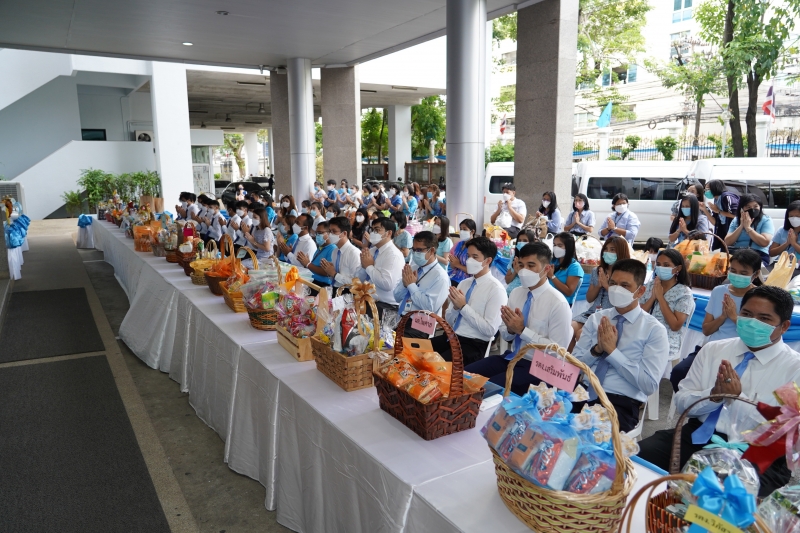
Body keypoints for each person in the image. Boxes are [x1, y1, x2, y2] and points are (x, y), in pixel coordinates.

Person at [638, 286, 800, 497]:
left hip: (758, 453)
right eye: (747, 314)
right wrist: (714, 395)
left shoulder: (794, 368)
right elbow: (682, 401)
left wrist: (737, 398)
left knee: (720, 500)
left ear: (784, 326)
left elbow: (788, 434)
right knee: (638, 458)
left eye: (764, 319)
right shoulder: (714, 349)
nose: (752, 322)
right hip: (699, 435)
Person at [573, 259, 670, 432]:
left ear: (640, 291)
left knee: (592, 440)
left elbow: (648, 385)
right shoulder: (597, 319)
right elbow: (575, 366)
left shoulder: (653, 330)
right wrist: (597, 350)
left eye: (625, 285)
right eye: (613, 283)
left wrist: (612, 352)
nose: (617, 290)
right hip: (583, 391)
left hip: (619, 401)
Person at [465, 242, 572, 395]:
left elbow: (557, 352)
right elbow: (506, 335)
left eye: (531, 265)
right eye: (521, 265)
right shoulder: (516, 293)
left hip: (539, 367)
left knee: (489, 388)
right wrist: (510, 328)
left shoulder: (558, 303)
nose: (524, 271)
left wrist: (522, 331)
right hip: (512, 358)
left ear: (546, 268)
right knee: (466, 375)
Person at [669, 248, 763, 391]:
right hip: (712, 347)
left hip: (739, 352)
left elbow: (755, 335)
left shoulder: (759, 298)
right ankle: (693, 410)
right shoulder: (719, 291)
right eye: (733, 270)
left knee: (719, 381)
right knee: (679, 372)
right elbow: (706, 330)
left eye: (743, 273)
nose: (737, 276)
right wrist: (723, 316)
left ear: (755, 274)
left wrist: (733, 317)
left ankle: (710, 410)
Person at [432, 237, 508, 365]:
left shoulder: (496, 290)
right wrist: (455, 308)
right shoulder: (464, 283)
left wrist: (463, 307)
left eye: (475, 257)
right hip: (452, 337)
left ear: (488, 260)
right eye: (468, 256)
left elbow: (490, 330)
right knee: (418, 351)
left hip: (474, 344)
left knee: (435, 364)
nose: (468, 261)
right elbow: (450, 321)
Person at [572, 236, 631, 342]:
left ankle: (584, 359)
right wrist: (598, 285)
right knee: (569, 329)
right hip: (593, 312)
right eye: (606, 249)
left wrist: (607, 285)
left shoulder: (626, 274)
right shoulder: (598, 271)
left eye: (612, 250)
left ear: (621, 252)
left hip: (611, 315)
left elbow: (623, 301)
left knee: (582, 335)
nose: (608, 252)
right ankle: (569, 358)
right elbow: (589, 298)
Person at [639, 249, 695, 361]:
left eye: (666, 265)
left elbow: (675, 326)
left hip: (667, 340)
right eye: (658, 264)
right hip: (643, 335)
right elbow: (638, 314)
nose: (661, 268)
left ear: (678, 268)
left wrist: (660, 297)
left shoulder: (684, 293)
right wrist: (653, 298)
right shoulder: (650, 286)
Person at [393, 231, 451, 319]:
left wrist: (411, 285)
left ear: (431, 251)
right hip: (400, 316)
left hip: (420, 326)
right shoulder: (413, 268)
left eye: (419, 250)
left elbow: (430, 308)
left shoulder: (440, 277)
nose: (415, 253)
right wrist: (405, 285)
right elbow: (396, 297)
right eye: (414, 249)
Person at [358, 217, 405, 315]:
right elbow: (360, 278)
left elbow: (387, 284)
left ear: (389, 233)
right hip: (367, 300)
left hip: (385, 306)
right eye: (372, 230)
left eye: (377, 230)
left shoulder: (393, 255)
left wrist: (369, 267)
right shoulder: (372, 251)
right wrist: (363, 267)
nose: (373, 233)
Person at [725, 193, 774, 266]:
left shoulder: (766, 220)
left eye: (755, 206)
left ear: (760, 207)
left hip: (758, 254)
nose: (752, 209)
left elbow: (764, 242)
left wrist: (748, 228)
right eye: (748, 207)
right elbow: (727, 242)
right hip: (738, 253)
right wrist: (741, 225)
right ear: (742, 208)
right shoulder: (736, 220)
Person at [320, 217, 362, 291]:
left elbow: (357, 283)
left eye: (334, 231)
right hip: (333, 288)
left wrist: (334, 274)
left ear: (344, 233)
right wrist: (328, 271)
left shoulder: (354, 253)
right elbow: (333, 274)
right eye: (329, 231)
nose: (330, 234)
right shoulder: (335, 251)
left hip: (347, 293)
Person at [547, 232, 584, 304]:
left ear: (568, 247)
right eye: (554, 245)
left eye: (560, 245)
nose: (556, 248)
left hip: (562, 303)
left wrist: (552, 276)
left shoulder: (574, 266)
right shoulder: (553, 261)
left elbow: (569, 292)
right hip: (548, 300)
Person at [297, 221, 337, 289]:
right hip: (312, 280)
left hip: (321, 284)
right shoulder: (321, 247)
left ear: (329, 233)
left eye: (320, 233)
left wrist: (308, 264)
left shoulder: (332, 249)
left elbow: (326, 272)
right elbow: (314, 266)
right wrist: (306, 263)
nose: (317, 235)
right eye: (316, 233)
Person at [705, 179, 740, 250]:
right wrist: (704, 209)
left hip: (733, 229)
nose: (706, 191)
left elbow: (735, 214)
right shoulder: (716, 199)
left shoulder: (726, 197)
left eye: (708, 189)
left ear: (715, 187)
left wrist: (718, 211)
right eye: (705, 189)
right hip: (723, 229)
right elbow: (715, 222)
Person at [769, 200, 800, 274]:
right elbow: (771, 252)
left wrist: (794, 244)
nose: (794, 219)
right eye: (791, 216)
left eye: (798, 216)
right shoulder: (782, 230)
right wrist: (786, 243)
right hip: (781, 264)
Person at [504, 230, 536, 296]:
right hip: (510, 293)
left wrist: (520, 271)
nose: (521, 243)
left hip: (524, 294)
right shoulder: (514, 257)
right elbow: (507, 281)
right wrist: (515, 271)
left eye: (525, 241)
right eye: (520, 240)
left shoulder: (535, 259)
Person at [449, 219, 478, 287]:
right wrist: (453, 263)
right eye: (461, 229)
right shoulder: (458, 244)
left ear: (472, 231)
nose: (462, 231)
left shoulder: (475, 247)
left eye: (465, 229)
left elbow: (474, 270)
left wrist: (458, 264)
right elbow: (452, 265)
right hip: (453, 275)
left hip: (466, 280)